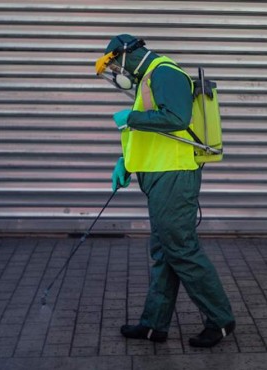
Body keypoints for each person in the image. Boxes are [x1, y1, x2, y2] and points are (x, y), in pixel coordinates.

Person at [95, 34, 235, 348]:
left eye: (115, 63)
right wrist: (126, 163)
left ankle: (221, 319)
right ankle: (154, 325)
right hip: (159, 176)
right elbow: (149, 135)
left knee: (181, 249)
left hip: (174, 177)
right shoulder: (149, 79)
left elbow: (176, 118)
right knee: (164, 253)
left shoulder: (165, 73)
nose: (117, 71)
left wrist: (130, 117)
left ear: (128, 54)